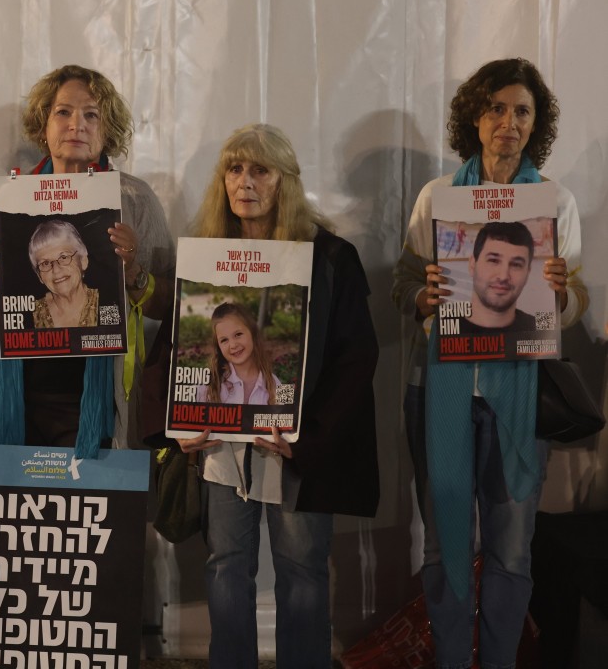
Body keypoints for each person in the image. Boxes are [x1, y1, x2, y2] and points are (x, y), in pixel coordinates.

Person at [392, 58, 588, 669]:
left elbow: (575, 302)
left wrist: (561, 294)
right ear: (474, 118)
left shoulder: (555, 202)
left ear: (536, 124)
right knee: (444, 545)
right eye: (496, 108)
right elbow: (403, 285)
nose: (509, 121)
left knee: (511, 551)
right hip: (440, 391)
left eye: (522, 111)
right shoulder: (438, 197)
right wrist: (423, 296)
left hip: (519, 397)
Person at [180, 124, 379, 668]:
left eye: (260, 170)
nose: (245, 181)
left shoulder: (330, 256)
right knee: (225, 565)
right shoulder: (205, 256)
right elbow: (178, 351)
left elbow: (357, 358)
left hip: (294, 448)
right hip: (223, 448)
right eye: (234, 168)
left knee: (302, 570)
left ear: (284, 180)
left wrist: (310, 440)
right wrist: (182, 425)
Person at [0, 64, 174, 456]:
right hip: (19, 392)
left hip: (97, 398)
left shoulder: (135, 199)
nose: (76, 124)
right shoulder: (14, 195)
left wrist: (133, 272)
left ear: (107, 129)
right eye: (63, 112)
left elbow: (170, 306)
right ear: (43, 124)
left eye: (91, 115)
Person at [195, 302, 281, 405]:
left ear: (253, 333)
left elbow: (289, 413)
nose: (233, 345)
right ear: (218, 347)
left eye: (238, 334)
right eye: (224, 340)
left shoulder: (275, 382)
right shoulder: (207, 385)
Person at [461, 221, 536, 334]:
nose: (503, 276)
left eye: (516, 264)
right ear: (472, 264)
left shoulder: (542, 326)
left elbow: (561, 323)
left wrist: (561, 301)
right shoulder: (443, 325)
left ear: (528, 272)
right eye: (493, 260)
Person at [28, 219, 99, 328]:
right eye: (45, 263)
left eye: (63, 257)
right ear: (39, 276)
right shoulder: (30, 314)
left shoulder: (107, 301)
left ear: (83, 261)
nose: (56, 270)